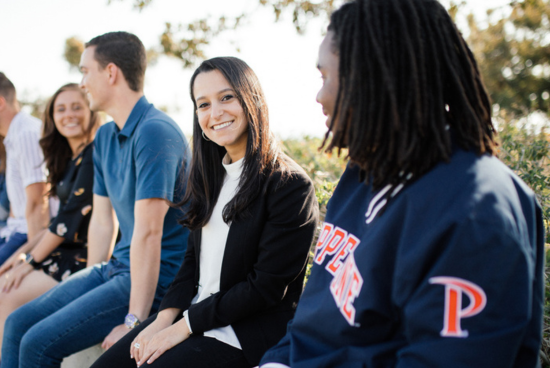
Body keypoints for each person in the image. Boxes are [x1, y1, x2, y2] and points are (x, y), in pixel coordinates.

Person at [260, 1, 545, 367]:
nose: (320, 96)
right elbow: (312, 325)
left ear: (377, 76)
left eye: (326, 77)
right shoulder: (362, 175)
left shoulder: (476, 211)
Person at [90, 56, 319, 368]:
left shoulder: (288, 186)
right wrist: (162, 320)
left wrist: (183, 327)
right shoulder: (210, 176)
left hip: (241, 331)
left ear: (251, 100)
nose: (216, 113)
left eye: (227, 98)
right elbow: (191, 264)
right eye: (204, 104)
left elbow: (263, 289)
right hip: (191, 319)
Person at [2, 32, 191, 368]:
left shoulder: (155, 132)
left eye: (85, 71)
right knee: (17, 324)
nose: (82, 82)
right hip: (114, 269)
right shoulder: (105, 136)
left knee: (36, 345)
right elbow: (104, 223)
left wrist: (134, 322)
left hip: (155, 278)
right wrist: (88, 292)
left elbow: (149, 234)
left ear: (111, 72)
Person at [0, 83, 100, 360]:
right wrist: (20, 256)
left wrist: (30, 261)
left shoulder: (95, 154)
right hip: (63, 250)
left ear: (91, 112)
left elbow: (66, 222)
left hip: (83, 256)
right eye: (61, 109)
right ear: (52, 117)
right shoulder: (69, 160)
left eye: (77, 107)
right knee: (6, 282)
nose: (69, 114)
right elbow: (54, 222)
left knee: (5, 295)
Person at [0, 73, 48, 266]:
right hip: (13, 230)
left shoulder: (26, 134)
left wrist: (30, 263)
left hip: (27, 235)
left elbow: (39, 203)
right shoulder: (13, 135)